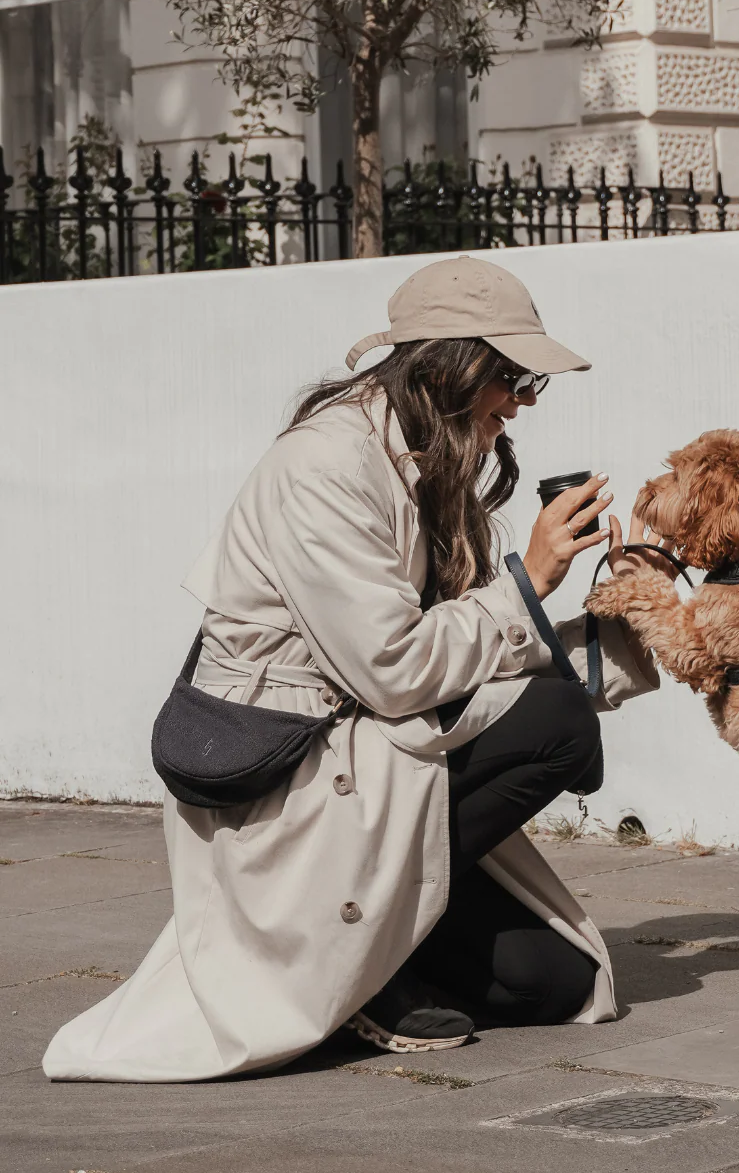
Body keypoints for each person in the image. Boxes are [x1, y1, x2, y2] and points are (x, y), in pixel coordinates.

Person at [43, 254, 673, 1083]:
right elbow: (395, 670)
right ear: (456, 367)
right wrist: (530, 582)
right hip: (300, 781)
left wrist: (636, 622)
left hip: (373, 765)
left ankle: (380, 953)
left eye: (529, 386)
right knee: (558, 724)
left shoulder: (420, 460)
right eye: (514, 379)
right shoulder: (326, 467)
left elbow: (466, 651)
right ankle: (355, 970)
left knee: (553, 984)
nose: (520, 406)